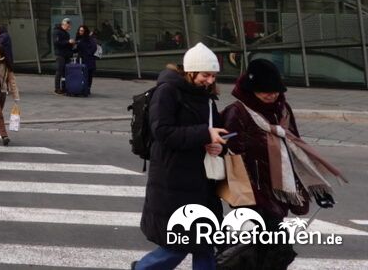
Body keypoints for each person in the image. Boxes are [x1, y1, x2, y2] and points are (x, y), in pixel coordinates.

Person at [220, 59, 345, 269]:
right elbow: (231, 158)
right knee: (270, 250)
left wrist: (317, 190)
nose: (272, 95)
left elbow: (296, 150)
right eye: (265, 91)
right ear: (251, 89)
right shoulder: (237, 112)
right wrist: (248, 197)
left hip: (279, 190)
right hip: (252, 192)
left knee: (269, 252)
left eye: (275, 90)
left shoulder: (282, 110)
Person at [134, 42, 229, 270]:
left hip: (202, 181)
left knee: (205, 241)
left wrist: (219, 147)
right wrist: (204, 134)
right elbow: (162, 131)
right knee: (178, 244)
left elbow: (215, 131)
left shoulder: (206, 97)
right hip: (173, 179)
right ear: (190, 71)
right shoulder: (167, 91)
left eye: (213, 76)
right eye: (205, 75)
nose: (210, 81)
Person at [74, 24, 98, 97]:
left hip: (88, 59)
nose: (80, 32)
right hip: (81, 59)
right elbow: (77, 49)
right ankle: (81, 88)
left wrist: (88, 53)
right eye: (80, 30)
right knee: (81, 74)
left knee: (89, 75)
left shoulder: (89, 39)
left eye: (82, 31)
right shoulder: (78, 39)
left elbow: (94, 47)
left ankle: (87, 89)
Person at [53, 18, 73, 95]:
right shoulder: (57, 31)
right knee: (59, 71)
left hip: (66, 54)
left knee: (65, 72)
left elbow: (66, 44)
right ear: (64, 24)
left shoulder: (66, 33)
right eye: (68, 26)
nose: (69, 27)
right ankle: (57, 88)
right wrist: (68, 42)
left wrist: (71, 44)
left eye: (69, 26)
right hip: (60, 54)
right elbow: (57, 42)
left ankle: (64, 87)